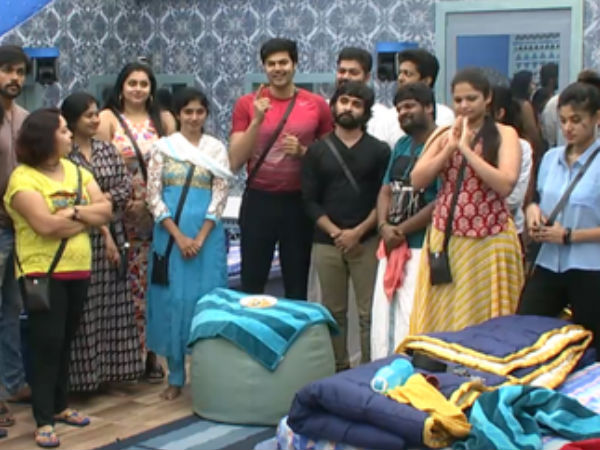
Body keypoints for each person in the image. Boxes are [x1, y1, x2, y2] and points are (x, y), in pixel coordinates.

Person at [3, 108, 112, 447]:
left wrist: (74, 211)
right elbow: (45, 226)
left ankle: (60, 405)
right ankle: (43, 419)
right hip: (42, 273)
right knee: (46, 344)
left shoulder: (77, 172)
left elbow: (106, 210)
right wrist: (85, 219)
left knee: (66, 341)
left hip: (79, 268)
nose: (69, 136)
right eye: (63, 130)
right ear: (45, 137)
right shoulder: (23, 179)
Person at [409, 68, 524, 335]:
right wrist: (450, 147)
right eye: (458, 100)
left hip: (490, 236)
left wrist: (466, 150)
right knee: (446, 315)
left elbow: (505, 183)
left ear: (487, 98)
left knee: (490, 317)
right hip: (447, 239)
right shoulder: (443, 135)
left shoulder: (505, 133)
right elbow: (417, 180)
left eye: (471, 98)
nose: (464, 106)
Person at [229, 38, 333, 300]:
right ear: (264, 67)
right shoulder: (247, 104)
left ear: (295, 64)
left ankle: (293, 328)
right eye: (271, 64)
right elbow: (235, 161)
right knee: (252, 282)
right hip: (258, 200)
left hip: (299, 203)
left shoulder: (316, 105)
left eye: (283, 62)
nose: (277, 69)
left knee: (297, 285)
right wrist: (256, 121)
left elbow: (330, 160)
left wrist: (303, 153)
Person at [146, 87, 231, 400]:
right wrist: (179, 237)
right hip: (169, 239)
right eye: (188, 112)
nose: (194, 117)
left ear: (206, 113)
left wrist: (199, 237)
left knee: (206, 302)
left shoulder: (215, 149)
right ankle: (175, 377)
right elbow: (153, 196)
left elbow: (220, 196)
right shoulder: (163, 148)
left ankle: (207, 374)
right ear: (178, 114)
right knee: (173, 302)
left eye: (200, 111)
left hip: (207, 239)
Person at [97, 62, 176, 382]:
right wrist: (121, 203)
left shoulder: (165, 120)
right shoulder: (107, 119)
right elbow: (97, 166)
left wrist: (152, 205)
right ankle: (123, 358)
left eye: (144, 83)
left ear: (152, 89)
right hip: (119, 214)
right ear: (121, 86)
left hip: (158, 214)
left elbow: (175, 166)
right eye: (132, 83)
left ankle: (152, 354)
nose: (138, 89)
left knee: (154, 286)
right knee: (123, 288)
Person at [302, 81, 389, 370]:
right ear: (334, 105)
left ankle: (368, 370)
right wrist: (336, 233)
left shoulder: (379, 151)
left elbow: (384, 198)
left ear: (366, 111)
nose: (348, 108)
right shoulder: (317, 151)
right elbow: (309, 200)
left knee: (368, 314)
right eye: (344, 101)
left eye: (356, 104)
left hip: (367, 241)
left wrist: (358, 232)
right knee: (333, 313)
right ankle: (339, 371)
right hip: (327, 242)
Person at [61, 92, 144, 392]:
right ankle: (82, 379)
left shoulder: (107, 149)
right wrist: (94, 207)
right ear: (73, 120)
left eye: (97, 113)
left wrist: (101, 202)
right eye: (89, 115)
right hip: (79, 236)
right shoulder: (64, 153)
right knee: (84, 309)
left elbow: (124, 186)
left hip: (113, 235)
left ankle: (112, 373)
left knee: (113, 305)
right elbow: (67, 197)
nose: (96, 119)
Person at [519, 82, 600, 361]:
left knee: (592, 342)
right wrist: (532, 212)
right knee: (525, 328)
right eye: (563, 120)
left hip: (590, 265)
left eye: (576, 120)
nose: (568, 128)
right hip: (548, 260)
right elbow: (537, 199)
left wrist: (568, 235)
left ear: (596, 118)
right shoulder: (551, 158)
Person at [371, 82, 440, 359]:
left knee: (413, 317)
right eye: (399, 109)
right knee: (383, 317)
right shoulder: (401, 145)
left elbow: (440, 201)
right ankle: (383, 369)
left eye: (410, 106)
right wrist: (383, 227)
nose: (403, 113)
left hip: (423, 245)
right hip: (390, 244)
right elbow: (385, 190)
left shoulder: (443, 143)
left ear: (429, 107)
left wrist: (400, 230)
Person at [0, 44, 31, 430]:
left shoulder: (23, 118)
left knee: (11, 309)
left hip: (18, 229)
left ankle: (12, 382)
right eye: (8, 70)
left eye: (20, 72)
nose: (15, 78)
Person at [335, 47, 402, 149]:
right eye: (342, 71)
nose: (346, 77)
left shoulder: (384, 117)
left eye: (353, 73)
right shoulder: (324, 109)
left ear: (367, 77)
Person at [491, 85, 533, 241]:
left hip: (508, 232)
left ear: (499, 113)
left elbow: (514, 198)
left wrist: (475, 207)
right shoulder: (464, 143)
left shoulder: (521, 146)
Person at [396, 48, 455, 126]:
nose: (400, 78)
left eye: (407, 74)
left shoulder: (444, 115)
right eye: (400, 73)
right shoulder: (388, 116)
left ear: (426, 81)